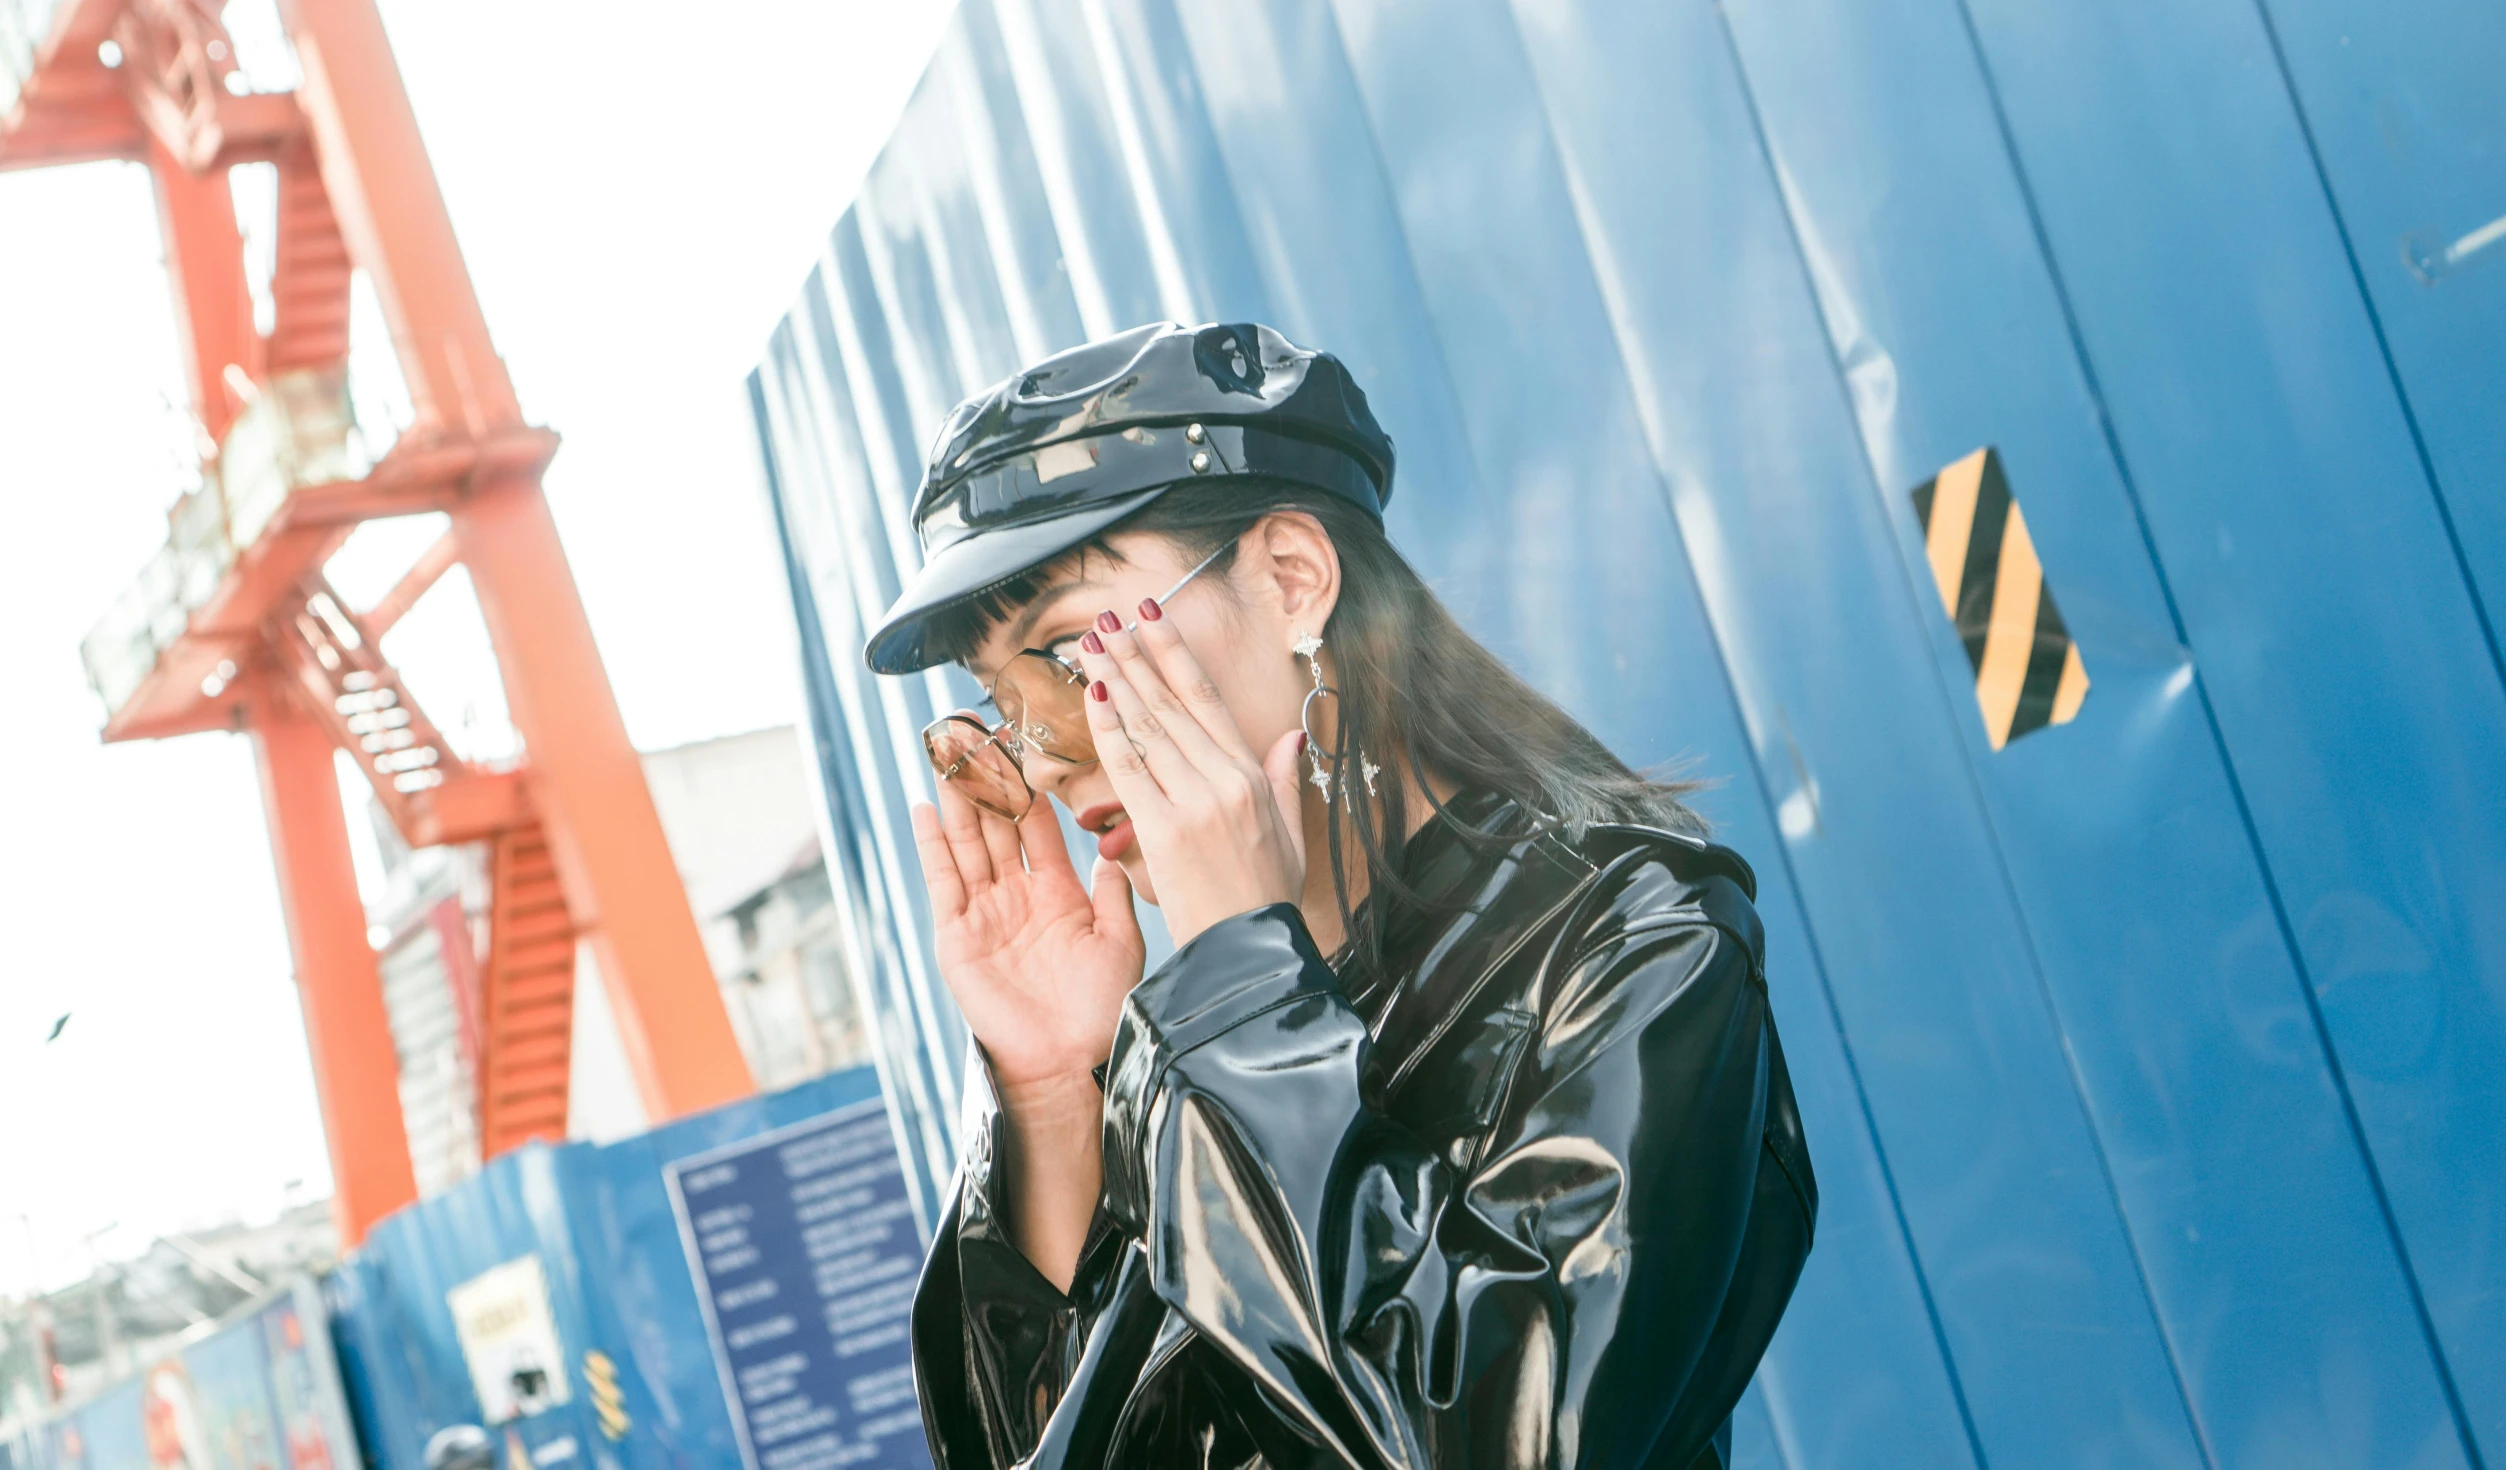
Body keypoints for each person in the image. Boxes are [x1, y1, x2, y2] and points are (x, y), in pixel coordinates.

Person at [869, 322, 1815, 1469]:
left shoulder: (1634, 950)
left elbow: (1484, 1439)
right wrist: (1055, 1094)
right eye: (999, 706)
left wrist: (1235, 983)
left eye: (1065, 661)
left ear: (1290, 579)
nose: (1046, 757)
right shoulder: (1183, 1049)